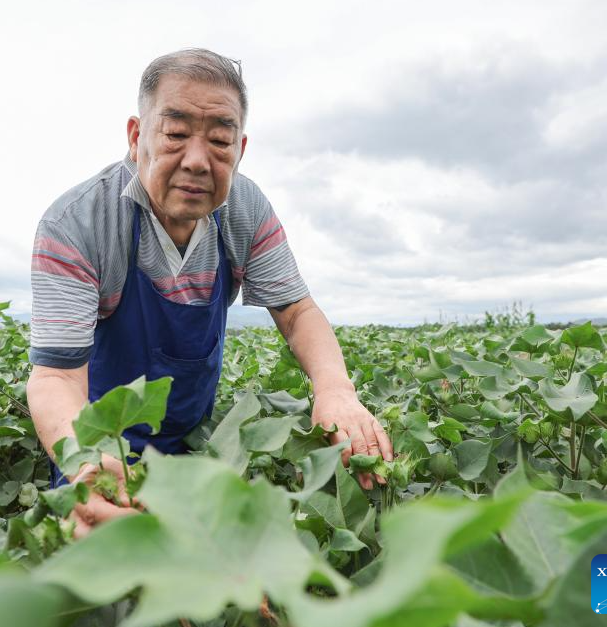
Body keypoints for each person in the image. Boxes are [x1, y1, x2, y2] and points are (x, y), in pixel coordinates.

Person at [26, 48, 393, 537]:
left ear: (241, 148)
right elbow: (56, 378)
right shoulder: (78, 223)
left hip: (199, 438)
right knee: (101, 552)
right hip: (98, 441)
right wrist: (87, 465)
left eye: (220, 140)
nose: (198, 161)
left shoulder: (244, 209)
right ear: (137, 137)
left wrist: (335, 391)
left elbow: (297, 311)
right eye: (176, 134)